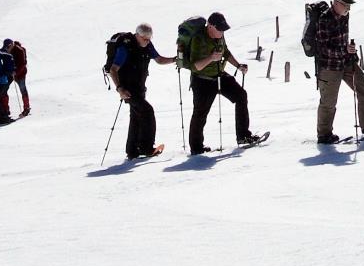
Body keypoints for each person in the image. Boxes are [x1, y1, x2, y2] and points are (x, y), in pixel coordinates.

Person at [308, 0, 364, 144]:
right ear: (336, 3)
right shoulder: (324, 19)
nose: (348, 8)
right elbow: (324, 48)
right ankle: (324, 135)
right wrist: (344, 50)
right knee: (329, 102)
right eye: (346, 5)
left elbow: (341, 40)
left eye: (349, 5)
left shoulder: (345, 16)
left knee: (363, 86)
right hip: (329, 67)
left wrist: (350, 52)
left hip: (346, 63)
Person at [181, 13, 259, 151]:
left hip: (219, 75)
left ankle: (243, 136)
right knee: (200, 113)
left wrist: (238, 66)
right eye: (220, 29)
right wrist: (211, 58)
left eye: (223, 29)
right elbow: (195, 66)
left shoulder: (220, 36)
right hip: (202, 80)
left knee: (241, 95)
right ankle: (196, 147)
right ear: (210, 26)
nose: (222, 32)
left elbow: (225, 52)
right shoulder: (198, 39)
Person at [106, 24, 174, 160]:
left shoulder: (148, 46)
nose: (147, 41)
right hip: (128, 90)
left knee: (136, 116)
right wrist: (120, 89)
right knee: (147, 111)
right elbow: (113, 69)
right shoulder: (125, 47)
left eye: (149, 38)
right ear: (137, 35)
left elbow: (159, 59)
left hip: (140, 88)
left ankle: (132, 151)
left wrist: (175, 59)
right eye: (144, 38)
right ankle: (147, 148)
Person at [5, 38, 31, 118]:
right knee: (4, 89)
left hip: (21, 74)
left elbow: (22, 64)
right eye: (6, 47)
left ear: (12, 45)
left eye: (8, 47)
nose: (7, 49)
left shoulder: (20, 51)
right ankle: (5, 111)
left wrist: (16, 72)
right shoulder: (7, 49)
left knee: (23, 89)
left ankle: (26, 108)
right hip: (11, 73)